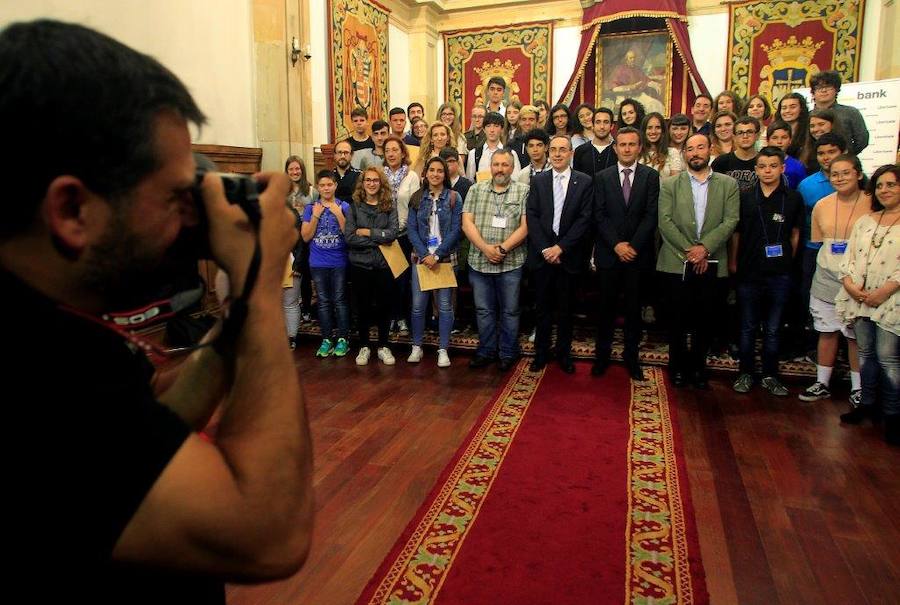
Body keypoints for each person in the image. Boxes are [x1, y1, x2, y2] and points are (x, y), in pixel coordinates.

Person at [0, 19, 313, 602]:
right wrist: (261, 285)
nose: (187, 219)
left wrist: (234, 319)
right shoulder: (29, 373)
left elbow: (149, 429)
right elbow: (268, 534)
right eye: (175, 197)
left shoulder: (50, 321)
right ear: (71, 210)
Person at [657, 133, 740, 388]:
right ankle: (678, 368)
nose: (695, 153)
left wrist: (705, 248)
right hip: (675, 262)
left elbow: (731, 221)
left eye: (700, 147)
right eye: (689, 149)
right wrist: (690, 251)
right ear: (684, 154)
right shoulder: (671, 184)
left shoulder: (728, 184)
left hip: (713, 262)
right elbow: (665, 221)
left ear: (710, 150)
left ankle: (698, 368)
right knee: (678, 320)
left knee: (706, 319)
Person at [730, 147, 803, 396]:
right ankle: (745, 373)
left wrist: (788, 264)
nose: (768, 170)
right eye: (762, 166)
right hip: (750, 270)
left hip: (780, 273)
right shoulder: (746, 197)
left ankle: (771, 375)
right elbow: (737, 234)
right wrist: (733, 262)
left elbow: (795, 235)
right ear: (756, 170)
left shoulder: (793, 198)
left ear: (782, 168)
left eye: (773, 166)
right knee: (748, 325)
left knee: (773, 328)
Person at [800, 154, 872, 405]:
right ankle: (822, 382)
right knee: (827, 330)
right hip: (827, 274)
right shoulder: (822, 204)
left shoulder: (872, 204)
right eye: (834, 174)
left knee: (854, 335)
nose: (839, 178)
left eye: (845, 173)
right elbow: (819, 241)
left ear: (859, 174)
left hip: (860, 278)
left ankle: (858, 388)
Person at [836, 164, 900, 444]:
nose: (884, 190)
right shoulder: (866, 221)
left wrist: (883, 291)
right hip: (859, 298)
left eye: (891, 184)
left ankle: (893, 415)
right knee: (865, 355)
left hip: (891, 300)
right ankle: (867, 405)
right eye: (880, 186)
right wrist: (851, 286)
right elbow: (848, 258)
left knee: (888, 359)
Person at [593, 127, 661, 380]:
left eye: (632, 144)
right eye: (622, 144)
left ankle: (631, 357)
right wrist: (617, 245)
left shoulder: (650, 176)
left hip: (638, 255)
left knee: (634, 310)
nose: (627, 149)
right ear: (615, 148)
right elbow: (598, 215)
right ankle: (602, 356)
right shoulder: (602, 177)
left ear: (639, 147)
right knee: (606, 308)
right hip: (609, 255)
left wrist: (632, 246)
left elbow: (651, 215)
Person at [525, 135, 593, 373]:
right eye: (553, 150)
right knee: (542, 308)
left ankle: (564, 354)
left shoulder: (583, 182)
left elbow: (584, 219)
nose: (557, 154)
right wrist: (546, 248)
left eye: (562, 150)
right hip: (542, 255)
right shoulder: (539, 180)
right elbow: (531, 215)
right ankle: (541, 353)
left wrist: (561, 248)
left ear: (571, 153)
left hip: (569, 256)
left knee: (566, 309)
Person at [462, 149, 529, 371]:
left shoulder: (523, 191)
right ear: (490, 166)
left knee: (510, 310)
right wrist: (485, 249)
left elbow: (525, 226)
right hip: (479, 261)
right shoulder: (475, 189)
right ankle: (486, 351)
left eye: (505, 165)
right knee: (483, 310)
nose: (500, 169)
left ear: (512, 168)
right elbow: (467, 223)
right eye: (496, 164)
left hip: (511, 262)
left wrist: (501, 249)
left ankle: (508, 353)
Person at [406, 156, 464, 367]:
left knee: (446, 306)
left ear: (445, 175)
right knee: (418, 306)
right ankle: (417, 346)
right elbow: (411, 229)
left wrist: (437, 255)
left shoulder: (454, 198)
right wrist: (425, 255)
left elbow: (458, 229)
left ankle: (443, 349)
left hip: (445, 258)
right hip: (421, 259)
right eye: (432, 170)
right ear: (426, 173)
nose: (436, 174)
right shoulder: (416, 198)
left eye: (440, 170)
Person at [344, 167, 400, 366]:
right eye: (368, 180)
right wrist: (379, 238)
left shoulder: (389, 206)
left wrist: (366, 232)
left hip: (384, 265)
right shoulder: (354, 207)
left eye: (375, 180)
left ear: (381, 183)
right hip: (360, 265)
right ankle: (364, 346)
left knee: (384, 306)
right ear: (362, 183)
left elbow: (392, 234)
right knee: (362, 307)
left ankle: (384, 346)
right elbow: (350, 237)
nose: (371, 183)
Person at [301, 171, 351, 358]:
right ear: (318, 187)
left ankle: (343, 338)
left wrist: (339, 215)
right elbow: (305, 237)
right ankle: (327, 338)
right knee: (323, 302)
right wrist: (315, 216)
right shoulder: (310, 208)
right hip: (318, 261)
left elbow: (349, 236)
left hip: (339, 261)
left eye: (329, 184)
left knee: (339, 300)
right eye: (322, 185)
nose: (326, 188)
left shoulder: (344, 206)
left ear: (335, 185)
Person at [382, 136, 420, 334]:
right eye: (387, 150)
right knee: (387, 280)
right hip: (385, 236)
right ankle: (390, 317)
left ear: (402, 153)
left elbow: (415, 207)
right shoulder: (379, 175)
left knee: (403, 280)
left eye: (395, 150)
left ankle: (403, 318)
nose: (391, 153)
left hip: (404, 235)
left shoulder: (411, 177)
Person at [284, 155, 315, 345]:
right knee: (296, 275)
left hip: (308, 235)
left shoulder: (311, 191)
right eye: (291, 170)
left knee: (306, 273)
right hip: (290, 236)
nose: (295, 172)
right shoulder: (283, 191)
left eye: (298, 169)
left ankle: (308, 307)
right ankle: (300, 307)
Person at [810, 70, 869, 155]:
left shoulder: (851, 112)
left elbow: (862, 140)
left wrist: (846, 155)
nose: (823, 91)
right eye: (819, 87)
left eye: (828, 87)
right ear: (813, 92)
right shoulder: (807, 116)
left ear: (836, 90)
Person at [466, 111, 520, 180]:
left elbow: (516, 179)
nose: (492, 130)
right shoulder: (474, 154)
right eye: (488, 126)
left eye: (496, 126)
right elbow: (470, 180)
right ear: (484, 129)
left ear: (502, 129)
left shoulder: (511, 153)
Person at [712, 116, 761, 192]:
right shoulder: (720, 162)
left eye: (750, 132)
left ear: (757, 135)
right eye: (740, 133)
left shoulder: (764, 161)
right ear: (734, 137)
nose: (745, 136)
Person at [573, 107, 618, 176]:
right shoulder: (580, 151)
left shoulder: (618, 150)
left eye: (606, 122)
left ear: (611, 126)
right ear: (593, 125)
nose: (602, 126)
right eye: (598, 122)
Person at [766, 121, 808, 190]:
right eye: (775, 138)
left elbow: (803, 191)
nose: (779, 141)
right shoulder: (760, 163)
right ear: (768, 140)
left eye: (784, 137)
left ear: (790, 140)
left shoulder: (797, 166)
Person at [777, 93, 811, 166]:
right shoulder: (774, 129)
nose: (787, 111)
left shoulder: (809, 130)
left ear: (801, 109)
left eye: (792, 107)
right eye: (784, 108)